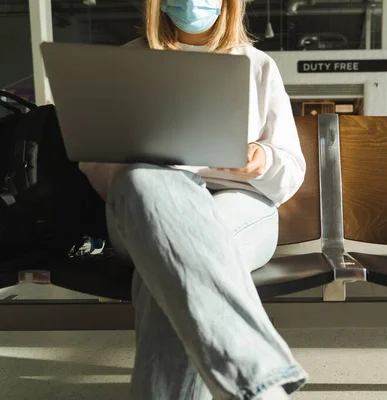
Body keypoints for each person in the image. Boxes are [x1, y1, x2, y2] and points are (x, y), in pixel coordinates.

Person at [79, 0, 308, 398]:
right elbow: (96, 164)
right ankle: (258, 380)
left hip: (238, 200)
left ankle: (257, 380)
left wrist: (263, 159)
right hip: (148, 202)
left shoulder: (256, 66)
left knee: (171, 265)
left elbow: (290, 173)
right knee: (151, 197)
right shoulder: (126, 64)